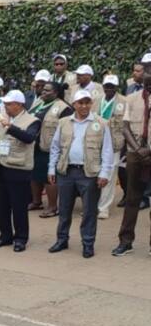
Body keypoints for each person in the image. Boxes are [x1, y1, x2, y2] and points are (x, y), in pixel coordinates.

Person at [47, 90, 114, 259]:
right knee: (64, 209)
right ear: (74, 104)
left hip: (89, 173)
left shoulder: (101, 123)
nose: (84, 106)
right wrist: (51, 169)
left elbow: (107, 151)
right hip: (66, 171)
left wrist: (105, 173)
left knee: (90, 211)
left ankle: (88, 243)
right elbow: (55, 147)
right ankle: (62, 240)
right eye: (80, 103)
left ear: (91, 104)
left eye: (87, 102)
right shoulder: (63, 122)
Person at [0, 90, 41, 252]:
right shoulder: (0, 118)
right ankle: (5, 235)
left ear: (19, 105)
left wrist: (11, 127)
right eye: (4, 104)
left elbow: (29, 138)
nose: (5, 106)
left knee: (18, 207)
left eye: (9, 104)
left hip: (18, 169)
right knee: (1, 207)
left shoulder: (33, 120)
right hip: (0, 167)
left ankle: (20, 238)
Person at [114, 74, 151, 256]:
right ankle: (125, 241)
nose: (148, 79)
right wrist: (138, 149)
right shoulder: (132, 99)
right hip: (135, 154)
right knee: (132, 199)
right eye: (147, 75)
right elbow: (125, 127)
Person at [28, 81, 73, 218]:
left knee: (49, 177)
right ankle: (36, 201)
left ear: (56, 93)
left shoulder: (63, 108)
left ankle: (53, 207)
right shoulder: (38, 103)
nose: (43, 92)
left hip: (50, 147)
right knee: (34, 174)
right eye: (43, 90)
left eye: (47, 90)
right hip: (33, 145)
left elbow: (67, 130)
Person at [97, 75, 127, 219]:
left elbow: (128, 126)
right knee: (95, 173)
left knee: (109, 174)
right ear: (103, 87)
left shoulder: (124, 102)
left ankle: (104, 208)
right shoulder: (96, 100)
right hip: (96, 142)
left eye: (112, 86)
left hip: (115, 143)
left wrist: (125, 147)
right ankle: (94, 205)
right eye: (107, 86)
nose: (109, 89)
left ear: (116, 87)